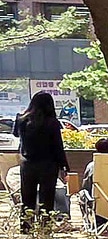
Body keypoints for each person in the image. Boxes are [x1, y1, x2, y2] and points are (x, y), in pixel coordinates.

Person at [12, 92, 69, 231]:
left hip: (27, 163)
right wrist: (64, 166)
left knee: (27, 197)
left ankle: (26, 227)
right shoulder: (52, 122)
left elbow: (15, 134)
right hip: (49, 164)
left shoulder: (21, 119)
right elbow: (58, 147)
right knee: (47, 198)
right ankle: (45, 227)